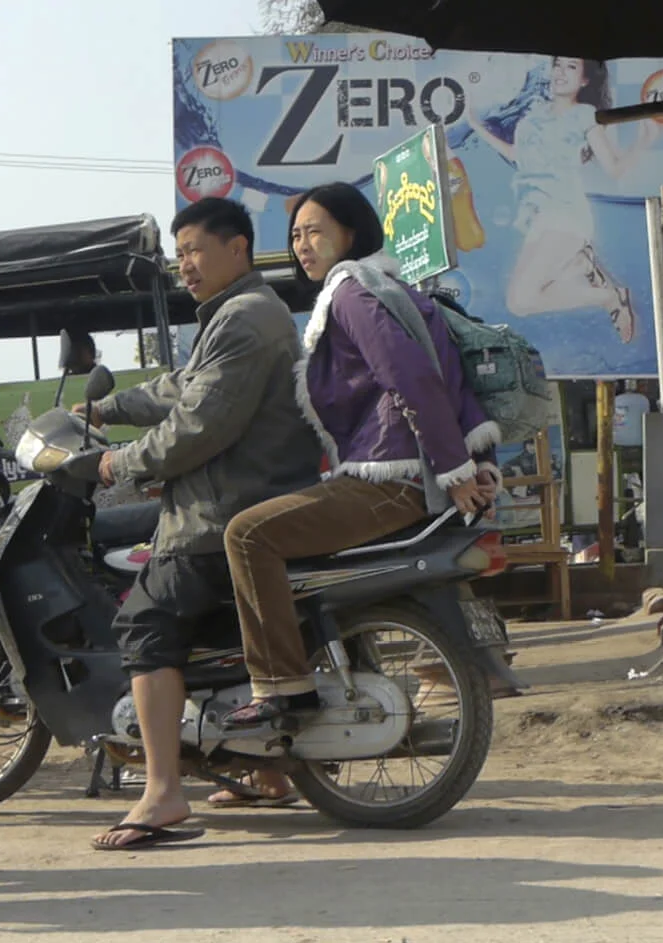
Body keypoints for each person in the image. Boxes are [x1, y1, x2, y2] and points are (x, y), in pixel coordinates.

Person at [217, 182, 499, 747]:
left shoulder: (350, 291)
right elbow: (451, 377)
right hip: (404, 473)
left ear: (351, 233)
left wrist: (454, 468)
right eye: (296, 235)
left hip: (391, 477)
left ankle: (281, 688)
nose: (302, 245)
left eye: (315, 231)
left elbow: (410, 376)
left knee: (247, 535)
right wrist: (477, 459)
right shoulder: (391, 287)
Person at [80, 197, 323, 850]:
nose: (184, 264)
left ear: (237, 248)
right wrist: (104, 410)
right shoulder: (240, 313)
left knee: (145, 624)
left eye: (195, 250)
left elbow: (198, 424)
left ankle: (162, 791)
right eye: (179, 253)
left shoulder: (244, 319)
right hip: (240, 498)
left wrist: (116, 464)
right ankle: (267, 768)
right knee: (221, 636)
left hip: (221, 513)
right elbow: (182, 387)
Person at [465, 56, 661, 342]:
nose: (560, 72)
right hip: (540, 218)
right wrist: (475, 126)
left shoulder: (584, 115)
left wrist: (644, 141)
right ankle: (581, 265)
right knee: (516, 303)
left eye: (571, 67)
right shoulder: (534, 112)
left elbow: (614, 168)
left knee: (523, 299)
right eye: (558, 65)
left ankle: (609, 296)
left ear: (584, 80)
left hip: (567, 215)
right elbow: (516, 155)